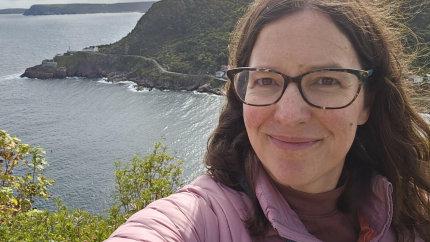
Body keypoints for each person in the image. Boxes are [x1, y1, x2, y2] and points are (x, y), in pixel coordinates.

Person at [106, 0, 430, 241]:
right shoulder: (203, 219)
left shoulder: (415, 214)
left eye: (327, 80)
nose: (289, 116)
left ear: (366, 102)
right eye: (265, 80)